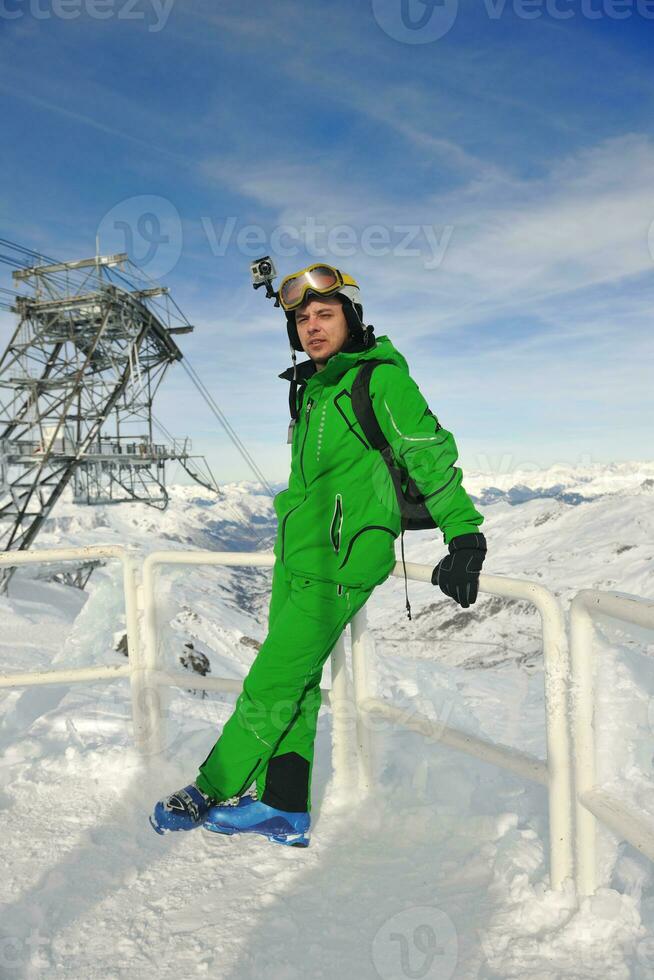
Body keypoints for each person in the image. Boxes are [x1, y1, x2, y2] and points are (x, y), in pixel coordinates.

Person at [150, 264, 486, 846]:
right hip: (297, 556)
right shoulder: (314, 386)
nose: (312, 326)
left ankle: (210, 786)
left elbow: (430, 454)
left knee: (271, 682)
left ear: (352, 317)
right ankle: (284, 808)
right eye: (301, 319)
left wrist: (465, 535)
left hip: (340, 564)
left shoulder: (382, 381)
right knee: (298, 686)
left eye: (324, 314)